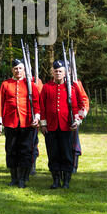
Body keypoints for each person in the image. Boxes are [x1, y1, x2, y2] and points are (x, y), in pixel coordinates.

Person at [0, 59, 41, 188]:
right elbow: (0, 103)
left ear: (24, 70)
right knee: (11, 150)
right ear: (12, 70)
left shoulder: (31, 84)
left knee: (25, 151)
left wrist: (37, 117)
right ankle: (14, 178)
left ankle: (23, 178)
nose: (18, 71)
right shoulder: (6, 84)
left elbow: (36, 103)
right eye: (15, 68)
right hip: (10, 122)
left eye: (20, 68)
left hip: (27, 123)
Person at [40, 60, 84, 189]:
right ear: (52, 72)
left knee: (66, 153)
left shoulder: (72, 87)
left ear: (65, 73)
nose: (58, 73)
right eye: (56, 71)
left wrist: (77, 120)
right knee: (53, 153)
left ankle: (66, 181)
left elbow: (78, 106)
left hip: (67, 126)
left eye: (60, 71)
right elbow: (42, 106)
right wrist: (43, 124)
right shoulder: (47, 87)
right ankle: (56, 180)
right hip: (51, 126)